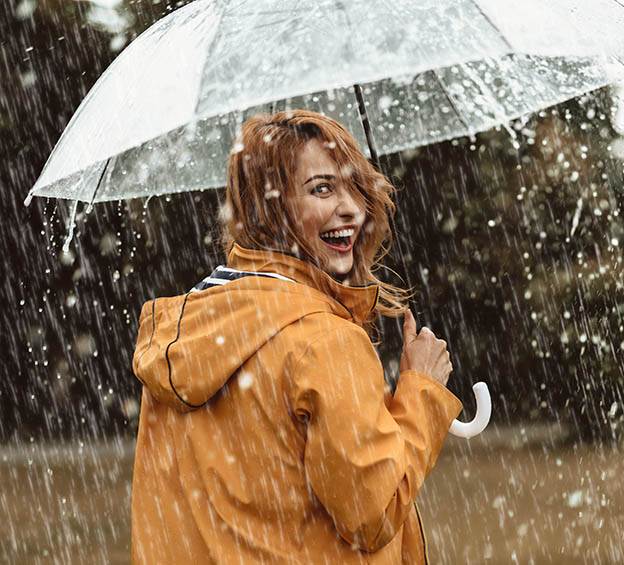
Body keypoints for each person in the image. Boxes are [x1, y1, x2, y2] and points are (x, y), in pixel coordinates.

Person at [130, 109, 462, 564]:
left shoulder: (189, 331)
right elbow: (371, 513)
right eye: (321, 189)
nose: (351, 208)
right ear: (271, 209)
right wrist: (420, 393)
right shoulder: (322, 342)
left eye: (354, 187)